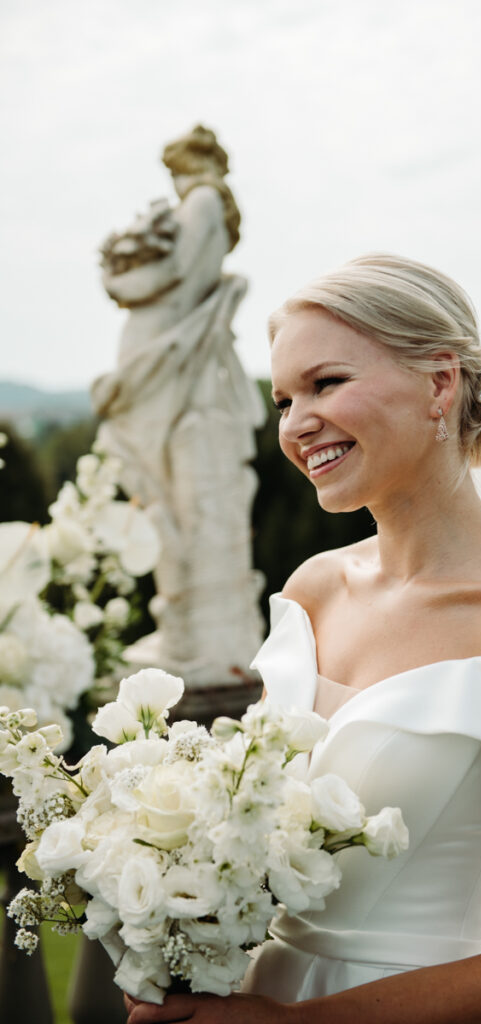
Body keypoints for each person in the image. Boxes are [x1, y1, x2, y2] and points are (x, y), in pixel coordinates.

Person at [126, 254, 481, 1023]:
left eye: (325, 384)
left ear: (439, 384)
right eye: (283, 399)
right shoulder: (311, 591)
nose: (295, 424)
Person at [93, 126, 265, 686]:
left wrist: (116, 274)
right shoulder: (202, 203)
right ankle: (186, 625)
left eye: (176, 169)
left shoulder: (202, 201)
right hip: (174, 363)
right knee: (161, 493)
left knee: (177, 496)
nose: (174, 181)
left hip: (178, 365)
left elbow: (173, 272)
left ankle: (202, 635)